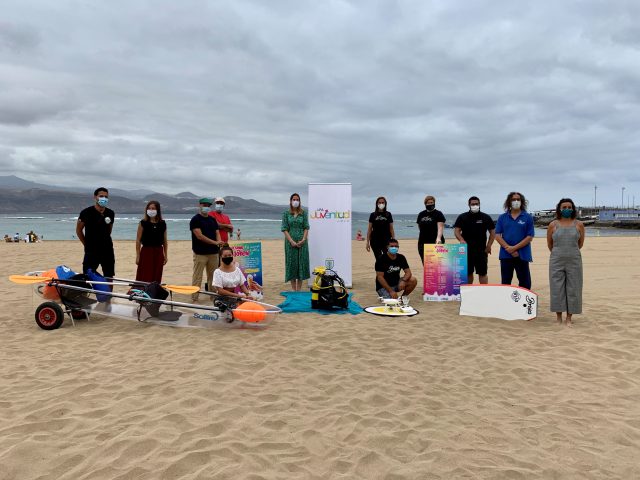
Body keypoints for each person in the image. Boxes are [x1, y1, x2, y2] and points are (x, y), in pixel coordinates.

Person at [547, 198, 584, 326]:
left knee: (574, 287)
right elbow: (550, 244)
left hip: (574, 259)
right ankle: (559, 318)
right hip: (556, 259)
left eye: (569, 207)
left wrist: (570, 251)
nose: (567, 209)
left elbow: (580, 244)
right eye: (564, 207)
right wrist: (559, 252)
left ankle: (569, 318)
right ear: (559, 209)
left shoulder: (579, 224)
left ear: (573, 209)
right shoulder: (553, 225)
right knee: (557, 288)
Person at [495, 192, 535, 290]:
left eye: (518, 199)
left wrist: (514, 248)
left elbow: (529, 237)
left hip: (522, 255)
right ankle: (506, 303)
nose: (516, 201)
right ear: (509, 202)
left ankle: (522, 304)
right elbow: (497, 235)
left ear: (522, 202)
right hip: (506, 255)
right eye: (513, 199)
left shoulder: (527, 217)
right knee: (505, 283)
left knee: (525, 283)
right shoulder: (502, 217)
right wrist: (509, 249)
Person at [76, 187, 115, 285]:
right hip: (91, 250)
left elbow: (109, 230)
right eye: (101, 196)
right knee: (88, 274)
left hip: (107, 249)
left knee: (109, 275)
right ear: (95, 197)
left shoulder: (110, 213)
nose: (104, 198)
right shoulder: (86, 212)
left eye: (106, 197)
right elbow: (79, 230)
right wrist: (86, 244)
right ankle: (89, 296)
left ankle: (108, 299)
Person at [454, 196, 496, 284]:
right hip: (466, 250)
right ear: (469, 205)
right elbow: (457, 231)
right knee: (468, 273)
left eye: (476, 204)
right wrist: (461, 239)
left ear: (479, 204)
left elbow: (492, 232)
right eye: (473, 204)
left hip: (481, 250)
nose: (475, 205)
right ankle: (469, 292)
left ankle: (484, 291)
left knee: (483, 273)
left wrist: (489, 245)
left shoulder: (486, 217)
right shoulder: (462, 217)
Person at [190, 197, 222, 301]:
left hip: (213, 253)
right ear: (199, 205)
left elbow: (217, 233)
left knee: (213, 276)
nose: (206, 207)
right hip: (200, 253)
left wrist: (219, 242)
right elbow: (199, 236)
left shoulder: (212, 220)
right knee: (197, 276)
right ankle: (194, 297)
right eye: (204, 205)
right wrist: (215, 243)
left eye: (208, 205)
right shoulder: (195, 219)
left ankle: (213, 296)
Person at [281, 193, 310, 291]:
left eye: (297, 199)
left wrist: (304, 239)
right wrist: (291, 241)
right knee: (292, 264)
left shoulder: (304, 213)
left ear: (300, 201)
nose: (295, 201)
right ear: (290, 201)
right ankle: (294, 290)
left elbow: (306, 227)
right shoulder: (286, 213)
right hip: (290, 244)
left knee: (301, 264)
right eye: (294, 199)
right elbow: (284, 228)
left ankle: (299, 290)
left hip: (302, 244)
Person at [135, 200, 168, 283]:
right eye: (149, 208)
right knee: (145, 274)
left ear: (158, 210)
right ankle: (142, 293)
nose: (151, 210)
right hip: (146, 251)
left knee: (157, 275)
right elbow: (138, 240)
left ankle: (153, 292)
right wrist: (138, 256)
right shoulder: (143, 223)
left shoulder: (162, 223)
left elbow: (165, 241)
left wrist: (165, 255)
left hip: (158, 252)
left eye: (153, 208)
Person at [416, 195, 446, 264]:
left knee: (436, 264)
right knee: (426, 264)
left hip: (436, 242)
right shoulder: (421, 214)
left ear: (434, 203)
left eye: (432, 202)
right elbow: (419, 226)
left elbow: (440, 227)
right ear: (425, 204)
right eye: (428, 203)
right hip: (422, 242)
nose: (430, 204)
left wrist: (438, 238)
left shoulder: (438, 213)